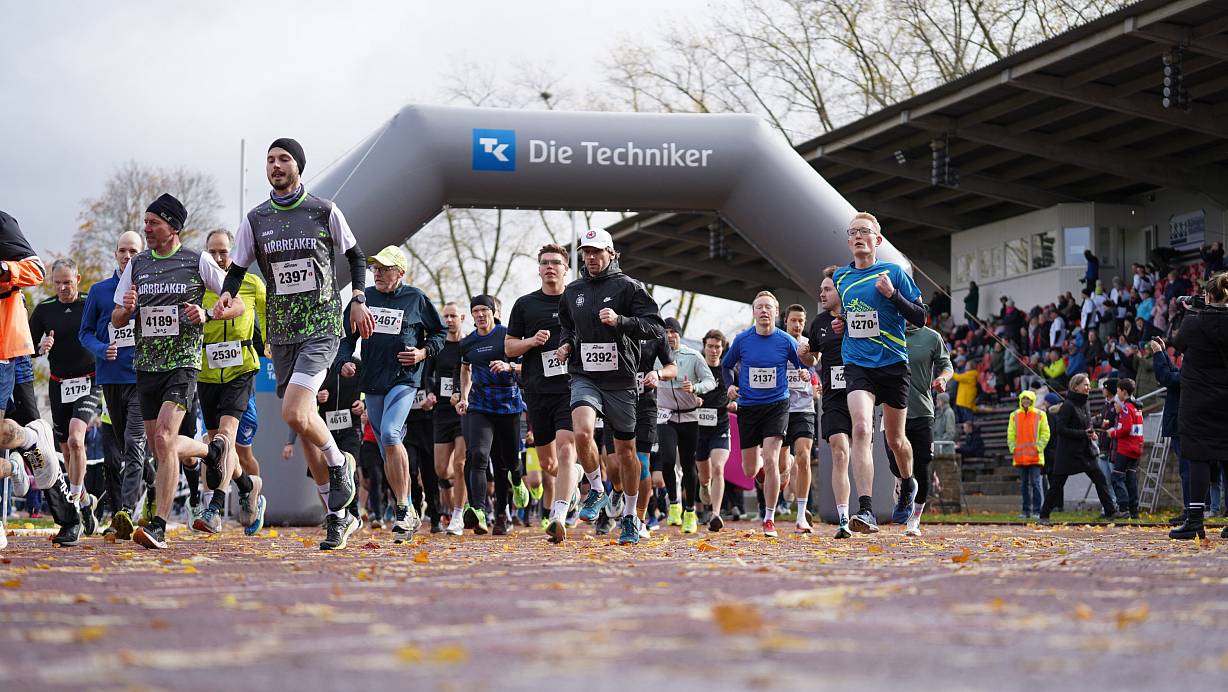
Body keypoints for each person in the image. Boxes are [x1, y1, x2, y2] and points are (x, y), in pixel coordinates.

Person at [218, 138, 373, 551]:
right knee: (303, 425)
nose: (276, 165)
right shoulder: (256, 219)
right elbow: (237, 268)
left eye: (284, 159)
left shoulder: (324, 210)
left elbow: (357, 256)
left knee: (293, 411)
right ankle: (337, 517)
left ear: (298, 166)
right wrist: (227, 294)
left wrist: (358, 298)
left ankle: (340, 464)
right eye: (270, 160)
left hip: (321, 327)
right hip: (282, 334)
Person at [111, 194, 242, 550]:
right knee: (160, 447)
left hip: (183, 363)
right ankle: (210, 452)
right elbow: (117, 318)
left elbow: (238, 304)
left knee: (165, 437)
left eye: (153, 223)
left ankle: (159, 526)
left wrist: (208, 314)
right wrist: (127, 310)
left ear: (173, 227)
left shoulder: (197, 261)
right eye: (145, 222)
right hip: (147, 365)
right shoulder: (137, 265)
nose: (147, 229)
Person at [553, 228, 665, 545]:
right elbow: (568, 327)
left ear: (611, 253)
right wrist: (566, 345)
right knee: (582, 432)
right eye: (586, 252)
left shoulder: (629, 287)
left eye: (596, 252)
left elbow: (655, 327)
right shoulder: (572, 290)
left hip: (621, 380)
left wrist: (621, 321)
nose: (590, 257)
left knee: (626, 453)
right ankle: (597, 490)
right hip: (585, 375)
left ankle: (629, 516)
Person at [338, 246, 444, 543]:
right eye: (376, 269)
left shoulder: (416, 298)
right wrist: (343, 362)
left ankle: (402, 508)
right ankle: (408, 508)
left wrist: (422, 352)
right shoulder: (364, 299)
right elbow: (346, 339)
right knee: (388, 450)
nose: (378, 273)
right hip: (373, 381)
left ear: (400, 272)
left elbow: (439, 333)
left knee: (389, 434)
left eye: (385, 269)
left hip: (404, 379)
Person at [832, 212, 927, 533]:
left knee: (896, 440)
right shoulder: (841, 277)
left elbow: (921, 317)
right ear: (849, 241)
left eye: (865, 231)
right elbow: (851, 314)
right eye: (853, 232)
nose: (858, 236)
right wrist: (842, 323)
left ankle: (907, 482)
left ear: (878, 240)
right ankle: (866, 510)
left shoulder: (894, 272)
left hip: (893, 364)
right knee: (861, 429)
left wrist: (893, 295)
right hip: (858, 363)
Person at [193, 229, 267, 535]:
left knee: (226, 438)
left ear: (233, 253)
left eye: (223, 251)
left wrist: (270, 342)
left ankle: (214, 509)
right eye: (212, 252)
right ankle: (248, 486)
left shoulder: (251, 283)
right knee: (216, 450)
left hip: (241, 369)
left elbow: (267, 313)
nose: (218, 257)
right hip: (207, 372)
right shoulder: (198, 285)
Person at [80, 231, 150, 540]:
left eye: (133, 251)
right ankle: (150, 480)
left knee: (133, 443)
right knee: (123, 447)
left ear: (141, 254)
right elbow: (84, 333)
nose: (127, 256)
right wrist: (100, 348)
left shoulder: (150, 287)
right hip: (110, 378)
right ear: (115, 254)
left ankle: (124, 512)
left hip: (141, 378)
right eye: (122, 250)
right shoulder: (99, 291)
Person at [29, 258, 104, 540]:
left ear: (78, 279)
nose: (62, 288)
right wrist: (40, 347)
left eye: (68, 282)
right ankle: (84, 500)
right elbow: (27, 347)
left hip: (89, 381)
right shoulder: (44, 310)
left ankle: (73, 505)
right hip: (59, 384)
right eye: (58, 283)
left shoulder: (89, 304)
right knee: (68, 451)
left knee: (76, 439)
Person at [505, 244, 576, 537]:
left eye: (556, 262)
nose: (550, 267)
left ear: (565, 268)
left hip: (571, 389)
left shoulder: (577, 301)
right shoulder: (525, 304)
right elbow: (509, 348)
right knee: (548, 463)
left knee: (567, 449)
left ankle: (558, 514)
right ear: (538, 269)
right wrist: (532, 341)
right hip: (537, 390)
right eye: (545, 262)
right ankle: (574, 479)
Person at [722, 291, 804, 537]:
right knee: (750, 470)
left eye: (769, 307)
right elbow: (727, 366)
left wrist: (804, 372)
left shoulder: (786, 340)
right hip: (748, 407)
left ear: (776, 312)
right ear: (754, 312)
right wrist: (730, 385)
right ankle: (768, 471)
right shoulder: (742, 340)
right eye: (760, 307)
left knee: (770, 458)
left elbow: (802, 364)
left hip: (777, 405)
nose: (764, 311)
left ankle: (769, 518)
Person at [0, 209, 53, 548]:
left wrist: (6, 269)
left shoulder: (2, 224)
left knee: (12, 428)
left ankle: (30, 443)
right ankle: (19, 459)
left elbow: (37, 269)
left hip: (6, 348)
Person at [455, 294, 523, 536]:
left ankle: (513, 492)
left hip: (508, 404)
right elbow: (465, 369)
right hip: (480, 405)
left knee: (508, 462)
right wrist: (464, 396)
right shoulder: (468, 342)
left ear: (494, 312)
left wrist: (509, 366)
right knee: (478, 455)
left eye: (485, 310)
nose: (481, 314)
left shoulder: (508, 336)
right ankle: (479, 511)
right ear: (472, 315)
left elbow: (526, 365)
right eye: (476, 311)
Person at [1169, 273, 1228, 539]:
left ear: (1207, 295)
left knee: (1198, 457)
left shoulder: (1194, 321)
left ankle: (1195, 522)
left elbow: (1177, 343)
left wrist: (1191, 311)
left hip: (1198, 400)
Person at [884, 318, 953, 535]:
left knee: (922, 466)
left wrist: (943, 379)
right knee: (895, 463)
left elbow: (947, 365)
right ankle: (903, 483)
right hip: (891, 409)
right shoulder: (886, 331)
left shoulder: (931, 337)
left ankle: (915, 518)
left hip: (921, 410)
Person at [655, 317, 715, 534]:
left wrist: (695, 388)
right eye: (666, 332)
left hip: (689, 417)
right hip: (666, 416)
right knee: (668, 460)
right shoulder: (656, 356)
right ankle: (674, 504)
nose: (670, 336)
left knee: (689, 466)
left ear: (679, 334)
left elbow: (710, 382)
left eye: (673, 332)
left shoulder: (693, 356)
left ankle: (690, 512)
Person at [806, 270, 855, 538]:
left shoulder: (857, 315)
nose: (822, 294)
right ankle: (844, 518)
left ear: (841, 290)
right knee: (839, 451)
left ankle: (870, 506)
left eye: (827, 289)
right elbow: (813, 357)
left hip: (861, 392)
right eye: (821, 289)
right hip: (834, 397)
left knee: (861, 450)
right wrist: (805, 357)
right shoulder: (819, 323)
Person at [1038, 374, 1117, 523]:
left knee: (1100, 479)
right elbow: (1061, 429)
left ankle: (1110, 511)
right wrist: (1083, 433)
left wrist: (1091, 433)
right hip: (1068, 453)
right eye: (1085, 385)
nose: (1089, 388)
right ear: (1075, 387)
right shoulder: (1067, 405)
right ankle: (1044, 514)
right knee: (1057, 484)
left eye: (1089, 385)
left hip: (1085, 451)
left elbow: (1087, 424)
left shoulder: (1085, 403)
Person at [778, 305, 818, 533]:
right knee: (783, 464)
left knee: (804, 456)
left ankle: (801, 514)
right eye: (793, 320)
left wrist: (809, 375)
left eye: (801, 321)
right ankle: (787, 469)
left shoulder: (809, 344)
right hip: (781, 408)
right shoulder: (777, 341)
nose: (797, 324)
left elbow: (815, 369)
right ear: (786, 321)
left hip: (804, 408)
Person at [430, 302, 468, 535]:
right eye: (446, 316)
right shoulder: (439, 345)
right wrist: (430, 393)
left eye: (453, 316)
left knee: (460, 464)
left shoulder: (469, 344)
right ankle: (468, 481)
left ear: (462, 317)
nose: (449, 320)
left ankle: (458, 515)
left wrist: (463, 395)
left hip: (464, 411)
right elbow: (427, 375)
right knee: (442, 470)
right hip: (442, 411)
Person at [697, 329, 732, 532]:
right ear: (704, 347)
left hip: (721, 426)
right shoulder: (697, 368)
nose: (713, 350)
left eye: (717, 347)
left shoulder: (728, 370)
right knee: (704, 476)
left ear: (722, 348)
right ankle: (704, 485)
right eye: (710, 346)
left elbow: (739, 391)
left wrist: (735, 402)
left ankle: (715, 514)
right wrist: (693, 399)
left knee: (718, 468)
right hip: (698, 429)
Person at [1007, 390, 1050, 520]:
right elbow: (1010, 434)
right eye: (1024, 399)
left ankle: (1036, 511)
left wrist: (1039, 447)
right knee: (1024, 485)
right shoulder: (1014, 415)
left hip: (1035, 456)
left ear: (1032, 401)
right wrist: (1013, 448)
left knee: (1035, 484)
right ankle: (1026, 511)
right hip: (1020, 457)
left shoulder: (1040, 415)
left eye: (1028, 399)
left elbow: (1045, 433)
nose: (1025, 401)